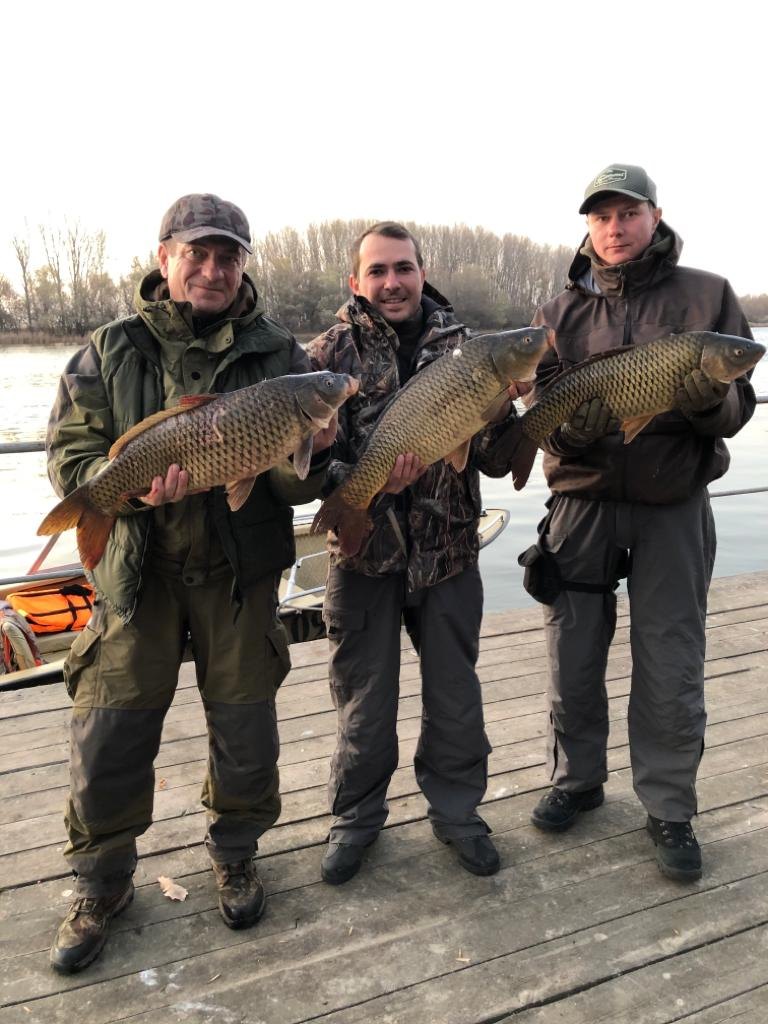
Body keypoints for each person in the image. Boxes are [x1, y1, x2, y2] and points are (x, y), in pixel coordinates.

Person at [46, 193, 336, 973]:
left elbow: (298, 489)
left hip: (238, 573)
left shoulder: (283, 356)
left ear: (243, 265)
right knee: (109, 730)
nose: (212, 269)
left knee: (246, 728)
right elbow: (70, 462)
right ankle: (102, 882)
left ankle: (236, 852)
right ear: (165, 257)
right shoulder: (107, 350)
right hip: (137, 574)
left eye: (228, 256)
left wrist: (308, 452)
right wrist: (129, 490)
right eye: (197, 254)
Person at [513, 164, 756, 880]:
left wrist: (707, 402)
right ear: (588, 227)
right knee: (572, 655)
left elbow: (738, 408)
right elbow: (546, 419)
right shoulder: (557, 314)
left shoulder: (707, 294)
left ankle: (670, 806)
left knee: (671, 658)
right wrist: (570, 434)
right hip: (581, 503)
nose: (614, 229)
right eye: (601, 217)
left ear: (655, 215)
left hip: (672, 503)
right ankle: (576, 780)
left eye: (628, 213)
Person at [306, 221, 529, 885]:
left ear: (421, 272)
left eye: (403, 268)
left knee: (456, 701)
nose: (392, 282)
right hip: (361, 556)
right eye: (377, 271)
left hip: (448, 555)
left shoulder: (467, 349)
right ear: (356, 282)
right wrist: (363, 491)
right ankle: (355, 821)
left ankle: (458, 815)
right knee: (363, 705)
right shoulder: (327, 355)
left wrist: (502, 411)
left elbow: (490, 460)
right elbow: (311, 469)